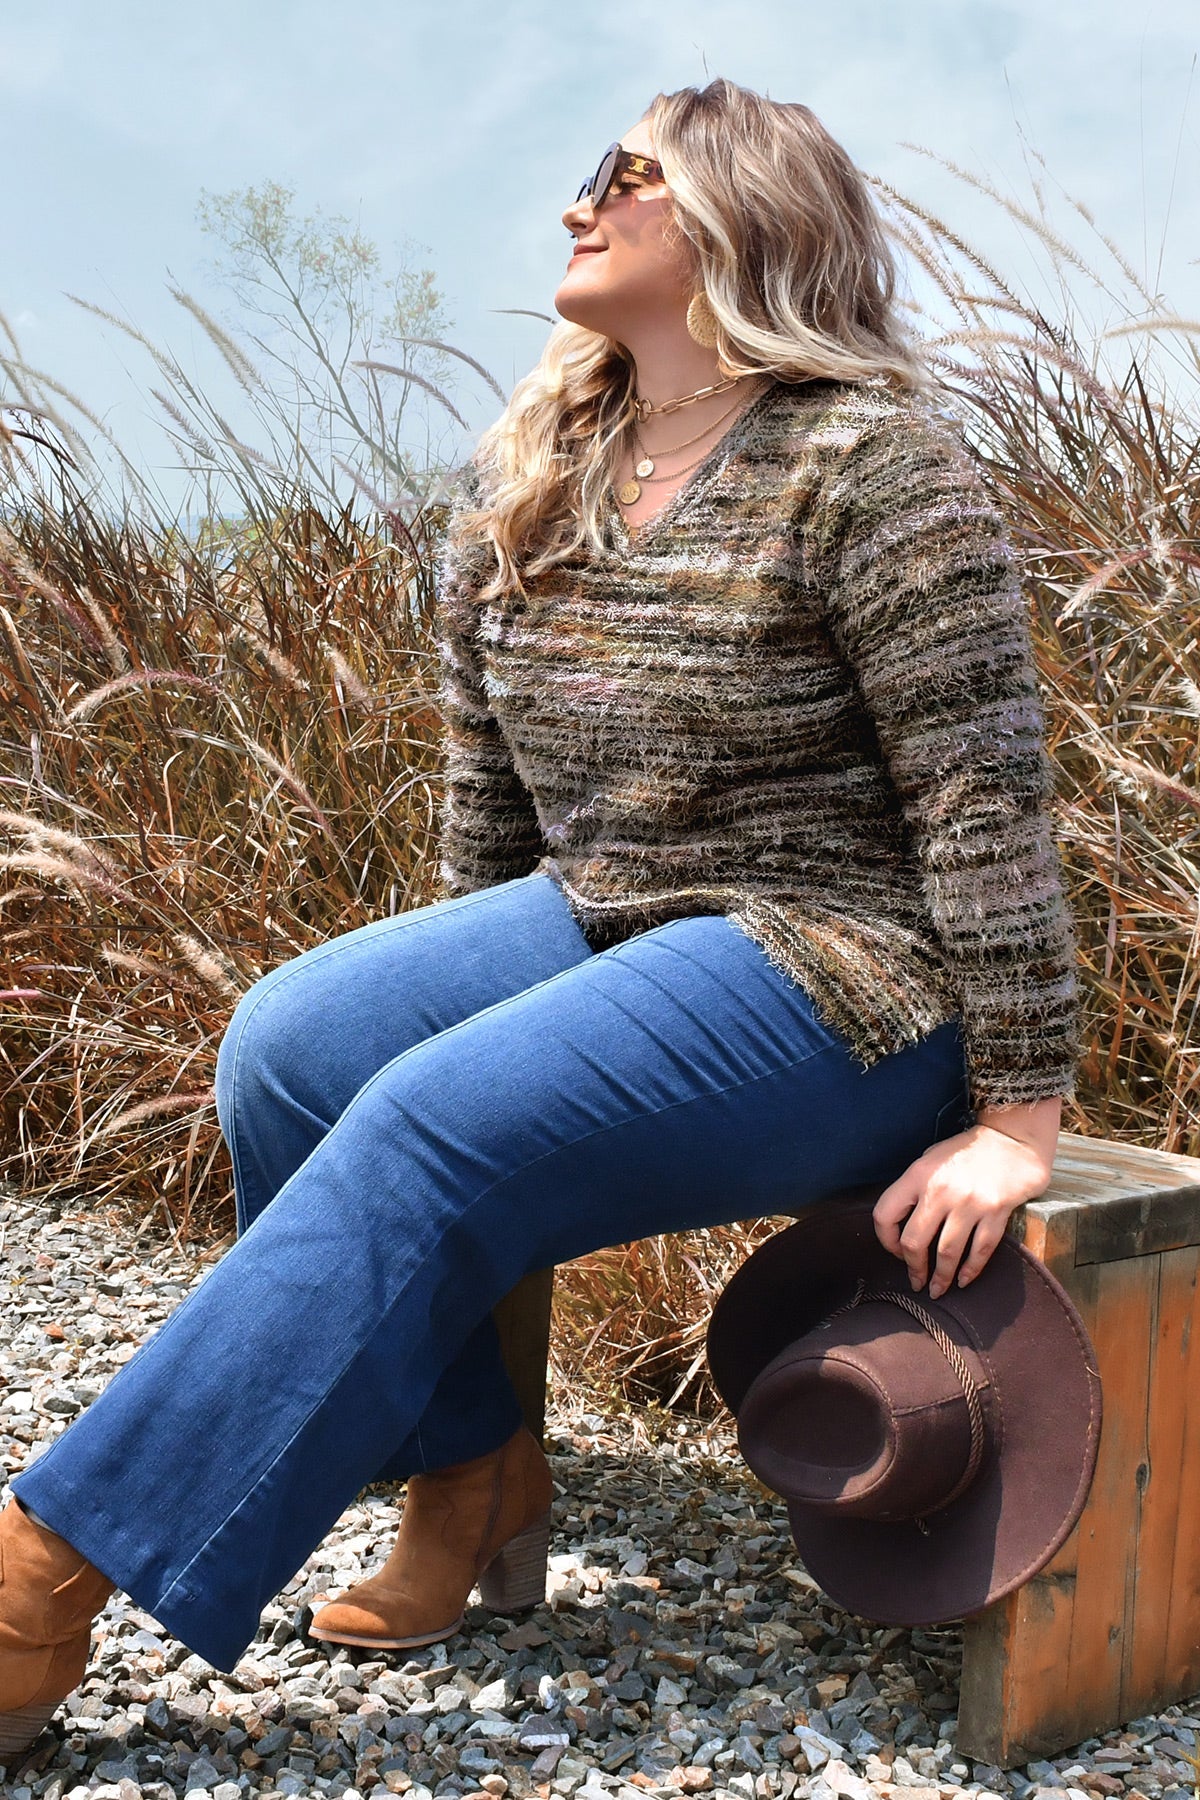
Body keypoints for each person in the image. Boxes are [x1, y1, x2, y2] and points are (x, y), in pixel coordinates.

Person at [0, 77, 1083, 1762]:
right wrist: (480, 1025)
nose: (579, 204)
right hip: (606, 921)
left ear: (738, 213)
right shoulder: (540, 473)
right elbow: (490, 809)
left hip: (846, 968)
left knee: (428, 1123)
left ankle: (41, 1579)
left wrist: (1019, 1115)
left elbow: (983, 798)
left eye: (623, 173)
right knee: (297, 1050)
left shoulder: (873, 469)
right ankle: (473, 1471)